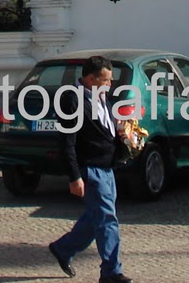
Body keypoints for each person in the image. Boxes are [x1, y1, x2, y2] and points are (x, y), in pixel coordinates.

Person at [48, 55, 132, 282]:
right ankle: (111, 272)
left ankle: (63, 248)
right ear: (90, 79)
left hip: (107, 167)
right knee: (107, 220)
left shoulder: (102, 97)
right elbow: (67, 141)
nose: (110, 84)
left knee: (95, 217)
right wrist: (74, 176)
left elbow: (104, 128)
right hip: (90, 169)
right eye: (106, 80)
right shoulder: (72, 100)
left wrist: (120, 133)